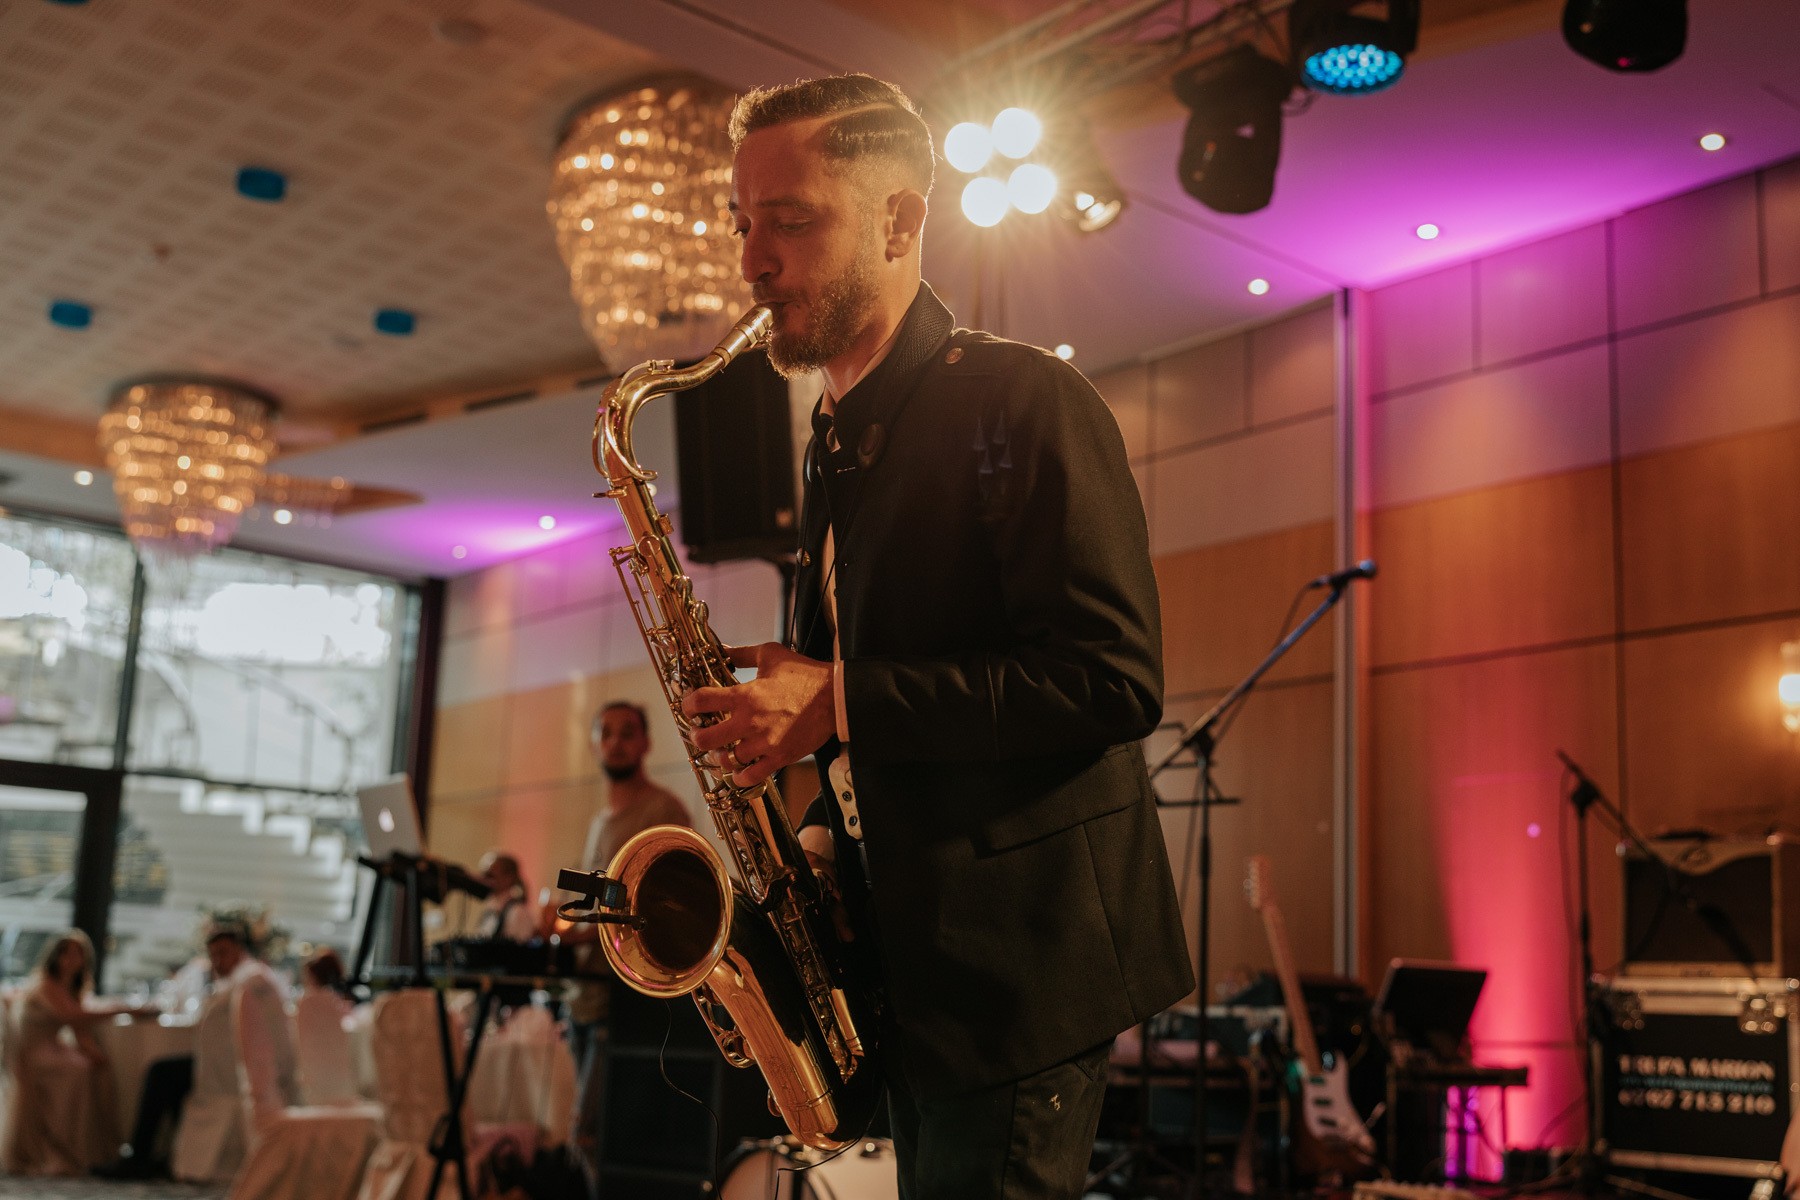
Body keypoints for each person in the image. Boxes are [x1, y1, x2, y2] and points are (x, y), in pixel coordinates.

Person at [681, 75, 1195, 1199]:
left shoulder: (1024, 399)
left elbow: (1113, 678)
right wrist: (814, 843)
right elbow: (863, 709)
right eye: (742, 222)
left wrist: (837, 699)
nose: (752, 260)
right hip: (913, 968)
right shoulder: (832, 439)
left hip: (1017, 974)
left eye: (789, 219)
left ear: (900, 220)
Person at [565, 700, 693, 1178]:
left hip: (627, 1003)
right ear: (594, 744)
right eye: (607, 733)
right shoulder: (600, 821)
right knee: (580, 1132)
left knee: (597, 1131)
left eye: (627, 732)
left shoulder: (663, 810)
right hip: (585, 996)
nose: (615, 742)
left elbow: (671, 907)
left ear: (645, 743)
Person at [169, 917, 300, 1182]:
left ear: (240, 950)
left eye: (223, 953)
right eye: (213, 955)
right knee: (165, 1074)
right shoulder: (243, 980)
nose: (218, 961)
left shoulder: (251, 982)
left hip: (234, 1076)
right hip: (227, 1072)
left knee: (162, 1076)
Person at [0, 930, 125, 1175]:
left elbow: (79, 1028)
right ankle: (63, 1148)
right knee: (79, 1071)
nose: (71, 959)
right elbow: (73, 1017)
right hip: (31, 1054)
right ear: (55, 957)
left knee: (96, 1068)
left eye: (78, 954)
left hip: (51, 1048)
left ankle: (90, 1149)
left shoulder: (70, 988)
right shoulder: (46, 983)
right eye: (66, 953)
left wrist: (92, 1051)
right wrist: (123, 1010)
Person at [474, 851, 539, 944]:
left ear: (509, 878)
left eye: (490, 876)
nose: (483, 880)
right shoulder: (492, 909)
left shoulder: (518, 912)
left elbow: (519, 949)